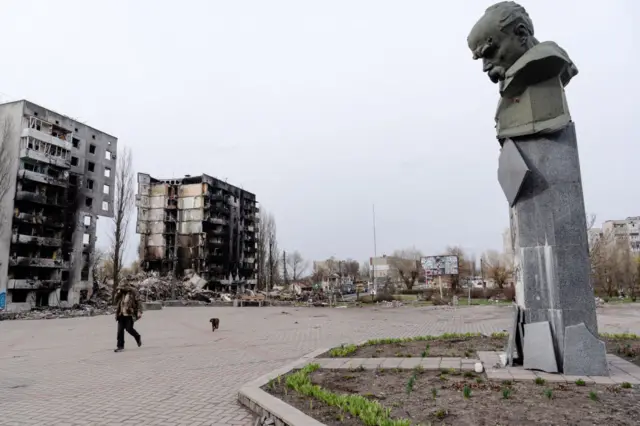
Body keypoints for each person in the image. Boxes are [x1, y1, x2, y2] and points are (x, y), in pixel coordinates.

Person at [114, 283, 142, 352]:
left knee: (129, 329)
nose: (121, 289)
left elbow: (138, 302)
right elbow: (115, 300)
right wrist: (118, 293)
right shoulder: (121, 293)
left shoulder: (133, 292)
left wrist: (139, 311)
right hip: (121, 314)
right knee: (120, 331)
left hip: (129, 314)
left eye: (122, 287)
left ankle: (137, 336)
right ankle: (120, 346)